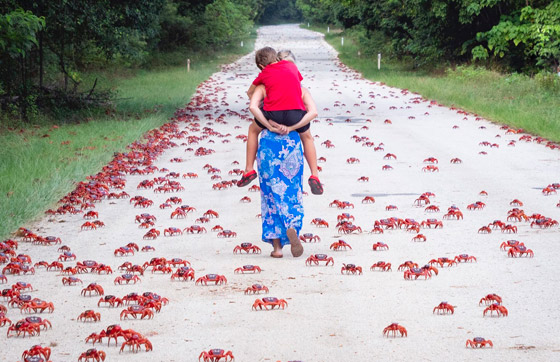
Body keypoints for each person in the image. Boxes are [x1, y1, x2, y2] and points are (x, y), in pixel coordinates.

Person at [237, 47, 323, 195]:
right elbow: (297, 84)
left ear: (261, 66)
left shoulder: (264, 74)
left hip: (273, 115)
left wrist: (267, 123)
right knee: (307, 137)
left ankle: (248, 169)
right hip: (295, 115)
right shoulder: (292, 68)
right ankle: (315, 174)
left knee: (252, 130)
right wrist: (292, 126)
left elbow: (251, 95)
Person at [249, 82, 318, 258]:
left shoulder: (266, 91)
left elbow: (252, 104)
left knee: (270, 196)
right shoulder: (301, 91)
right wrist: (314, 172)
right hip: (291, 146)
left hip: (268, 149)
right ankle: (292, 226)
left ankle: (277, 248)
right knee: (292, 193)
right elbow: (308, 133)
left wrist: (270, 124)